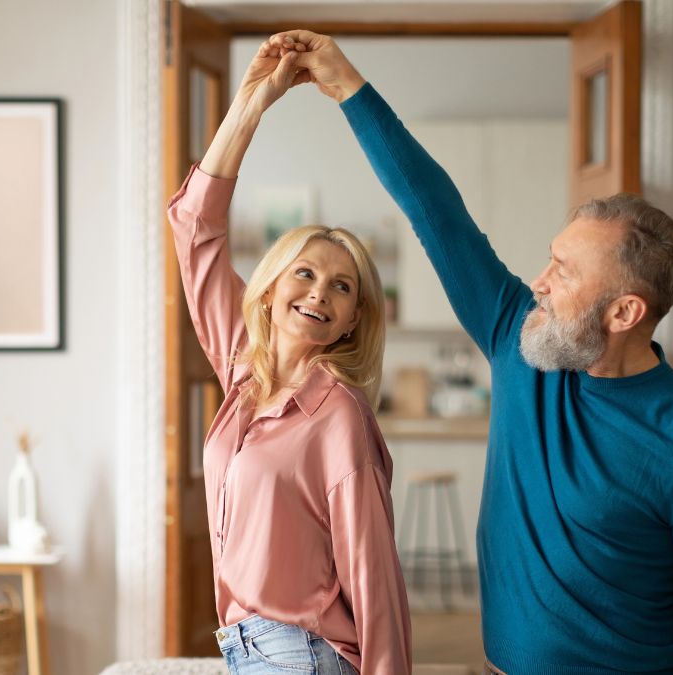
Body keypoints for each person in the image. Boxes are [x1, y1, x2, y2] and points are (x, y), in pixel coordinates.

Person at [268, 30, 673, 675]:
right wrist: (345, 86)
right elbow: (435, 209)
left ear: (624, 312)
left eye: (564, 270)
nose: (539, 281)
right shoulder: (519, 339)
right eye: (549, 258)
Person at [166, 39, 412, 674]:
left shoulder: (338, 416)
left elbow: (372, 571)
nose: (319, 294)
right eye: (305, 273)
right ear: (271, 287)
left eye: (342, 287)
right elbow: (195, 229)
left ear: (355, 317)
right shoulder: (244, 366)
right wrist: (251, 104)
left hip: (301, 655)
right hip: (248, 650)